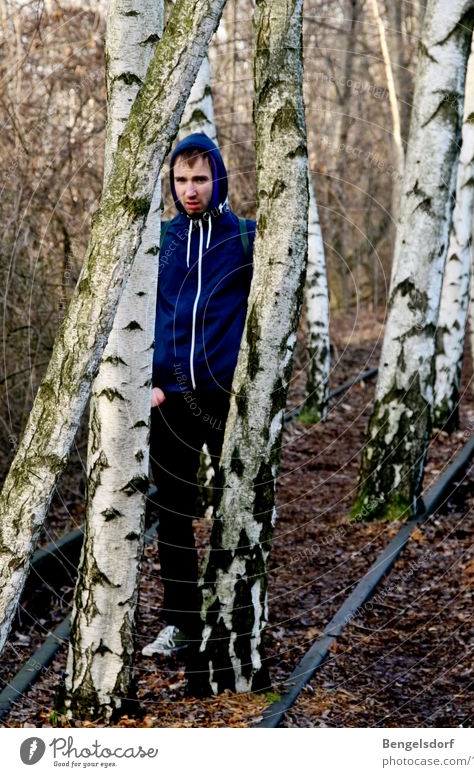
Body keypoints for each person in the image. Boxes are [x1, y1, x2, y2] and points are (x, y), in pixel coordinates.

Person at [142, 133, 255, 657]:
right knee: (175, 512)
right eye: (182, 180)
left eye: (200, 179)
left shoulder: (247, 239)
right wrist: (144, 381)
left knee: (241, 506)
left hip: (227, 400)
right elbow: (137, 318)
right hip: (168, 401)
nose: (190, 189)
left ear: (219, 179)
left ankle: (238, 618)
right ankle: (182, 623)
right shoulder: (159, 240)